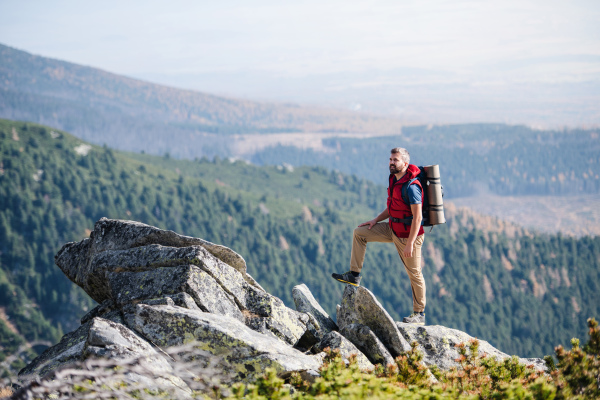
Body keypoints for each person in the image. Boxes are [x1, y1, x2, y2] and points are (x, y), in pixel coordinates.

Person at [332, 147, 427, 325]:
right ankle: (354, 275)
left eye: (395, 160)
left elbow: (418, 217)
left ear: (405, 164)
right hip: (392, 228)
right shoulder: (393, 179)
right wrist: (375, 220)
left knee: (414, 273)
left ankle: (419, 313)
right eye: (390, 159)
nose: (391, 163)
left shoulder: (412, 187)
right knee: (360, 233)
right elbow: (393, 207)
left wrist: (410, 244)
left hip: (408, 236)